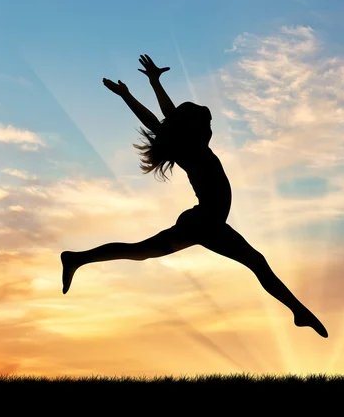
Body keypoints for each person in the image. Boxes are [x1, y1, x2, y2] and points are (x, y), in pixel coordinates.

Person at [60, 54, 328, 338]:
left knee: (142, 251)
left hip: (202, 221)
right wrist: (128, 95)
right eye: (205, 122)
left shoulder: (191, 147)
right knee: (255, 262)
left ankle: (77, 258)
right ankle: (298, 311)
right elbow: (160, 120)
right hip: (205, 223)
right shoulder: (191, 151)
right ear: (195, 130)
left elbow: (168, 117)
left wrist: (153, 82)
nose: (210, 126)